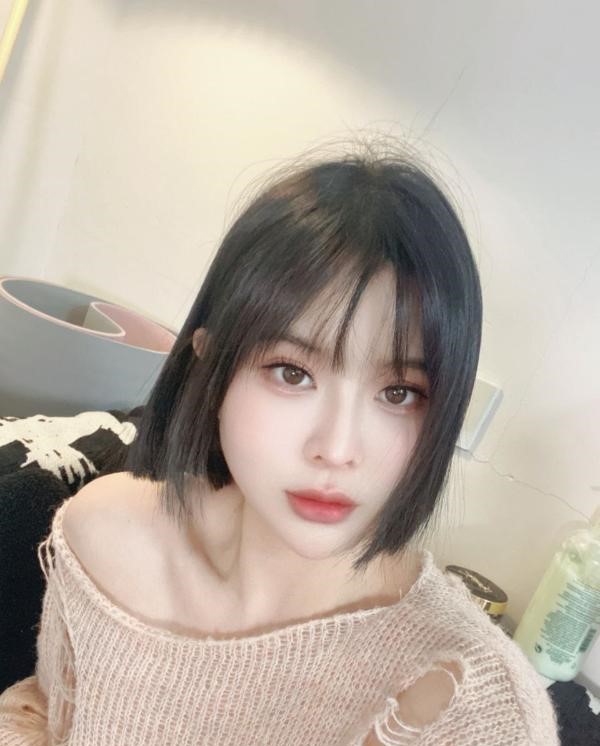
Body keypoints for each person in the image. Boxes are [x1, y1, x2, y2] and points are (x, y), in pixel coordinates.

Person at [0, 140, 560, 745]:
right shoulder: (105, 538)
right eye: (292, 373)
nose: (337, 450)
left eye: (399, 392)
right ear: (213, 368)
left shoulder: (472, 708)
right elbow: (44, 714)